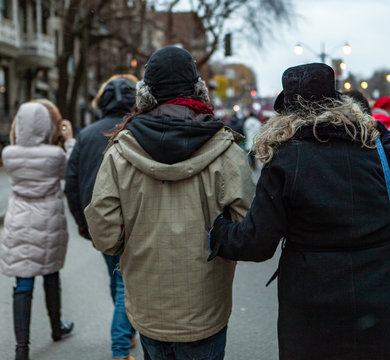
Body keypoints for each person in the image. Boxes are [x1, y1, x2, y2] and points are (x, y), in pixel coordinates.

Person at [208, 63, 390, 360]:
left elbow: (257, 242)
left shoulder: (284, 160)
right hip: (379, 296)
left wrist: (218, 232)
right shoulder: (382, 148)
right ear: (338, 103)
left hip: (311, 306)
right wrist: (388, 238)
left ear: (287, 114)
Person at [84, 46, 255, 360]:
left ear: (146, 95)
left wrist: (130, 241)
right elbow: (248, 229)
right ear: (198, 90)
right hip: (206, 306)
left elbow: (104, 232)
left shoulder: (120, 150)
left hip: (149, 307)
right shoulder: (227, 150)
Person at [65, 75, 137, 360]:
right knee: (125, 283)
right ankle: (121, 347)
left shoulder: (87, 134)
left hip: (99, 221)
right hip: (133, 219)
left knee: (115, 278)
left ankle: (126, 333)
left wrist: (82, 223)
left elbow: (71, 182)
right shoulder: (136, 129)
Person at [1, 102, 75, 360]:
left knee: (23, 280)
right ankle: (56, 328)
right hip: (48, 219)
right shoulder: (54, 156)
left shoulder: (9, 153)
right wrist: (68, 140)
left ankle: (22, 349)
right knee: (51, 274)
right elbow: (70, 171)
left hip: (19, 220)